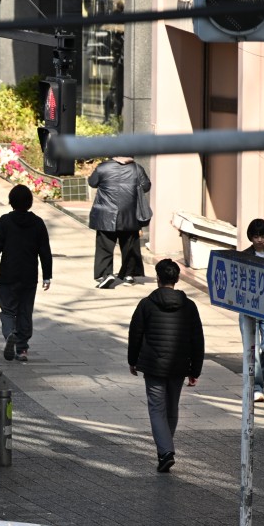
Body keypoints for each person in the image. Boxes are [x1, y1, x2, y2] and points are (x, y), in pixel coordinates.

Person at [127, 259, 204, 474]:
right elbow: (197, 339)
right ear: (177, 279)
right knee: (171, 408)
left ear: (158, 278)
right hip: (179, 366)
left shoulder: (147, 304)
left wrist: (132, 360)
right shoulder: (189, 306)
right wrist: (195, 370)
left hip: (153, 366)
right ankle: (165, 449)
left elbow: (135, 334)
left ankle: (165, 451)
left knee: (156, 408)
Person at [0, 184, 53, 363]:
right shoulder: (38, 223)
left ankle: (9, 334)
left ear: (11, 202)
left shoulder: (5, 222)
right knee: (25, 312)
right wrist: (47, 275)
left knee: (8, 311)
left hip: (8, 275)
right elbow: (45, 251)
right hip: (29, 277)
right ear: (30, 202)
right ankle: (22, 349)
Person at [88, 156, 151, 288]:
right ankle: (129, 275)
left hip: (106, 215)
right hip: (130, 214)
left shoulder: (103, 167)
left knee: (104, 247)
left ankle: (106, 274)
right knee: (129, 246)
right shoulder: (137, 168)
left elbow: (92, 182)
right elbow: (146, 186)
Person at [240, 218, 264, 402]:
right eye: (256, 236)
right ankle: (258, 386)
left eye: (262, 235)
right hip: (248, 312)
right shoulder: (243, 257)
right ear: (251, 237)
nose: (259, 239)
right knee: (254, 350)